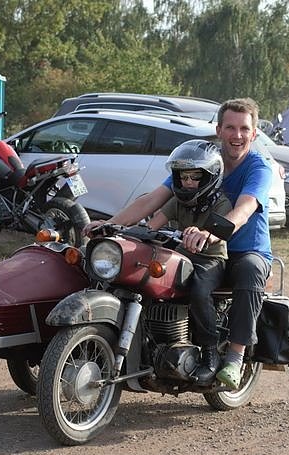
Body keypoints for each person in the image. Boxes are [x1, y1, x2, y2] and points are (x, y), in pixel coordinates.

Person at [84, 98, 273, 390]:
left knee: (250, 270)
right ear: (219, 130)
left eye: (244, 129)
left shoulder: (258, 168)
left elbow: (245, 208)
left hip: (244, 249)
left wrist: (210, 233)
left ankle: (234, 357)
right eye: (230, 127)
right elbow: (153, 200)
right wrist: (111, 225)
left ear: (254, 133)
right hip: (195, 248)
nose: (237, 135)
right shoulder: (202, 162)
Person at [148, 140, 232, 383]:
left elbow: (218, 232)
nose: (188, 183)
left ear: (209, 177)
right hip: (181, 254)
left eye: (195, 177)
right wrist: (135, 231)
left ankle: (210, 352)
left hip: (210, 259)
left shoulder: (221, 202)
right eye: (183, 177)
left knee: (198, 290)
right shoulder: (177, 201)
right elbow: (153, 224)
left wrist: (204, 234)